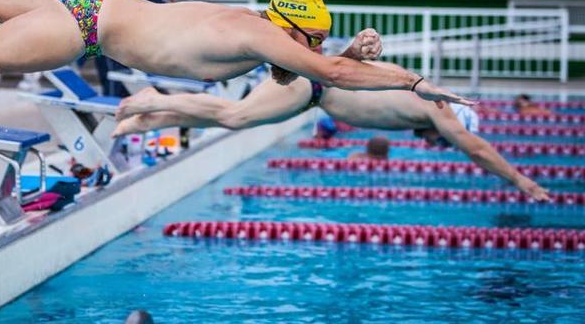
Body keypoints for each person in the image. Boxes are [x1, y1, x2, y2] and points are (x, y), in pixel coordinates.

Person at [0, 0, 472, 165]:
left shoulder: (260, 32)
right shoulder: (264, 36)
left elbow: (314, 67)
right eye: (314, 38)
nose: (313, 48)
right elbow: (329, 76)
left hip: (99, 4)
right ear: (294, 28)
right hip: (91, 24)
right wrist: (413, 80)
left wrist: (346, 54)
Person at [113, 73, 548, 201]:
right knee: (234, 114)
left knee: (236, 119)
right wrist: (521, 181)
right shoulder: (439, 108)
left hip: (313, 95)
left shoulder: (424, 103)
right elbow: (476, 149)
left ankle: (154, 117)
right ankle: (153, 99)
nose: (439, 146)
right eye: (443, 142)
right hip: (312, 88)